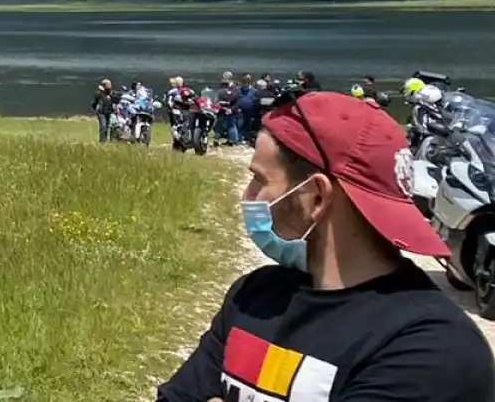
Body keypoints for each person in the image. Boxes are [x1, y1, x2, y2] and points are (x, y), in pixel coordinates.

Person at [157, 91, 495, 402]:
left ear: (316, 198)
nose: (247, 197)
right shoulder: (254, 296)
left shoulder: (430, 350)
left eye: (260, 179)